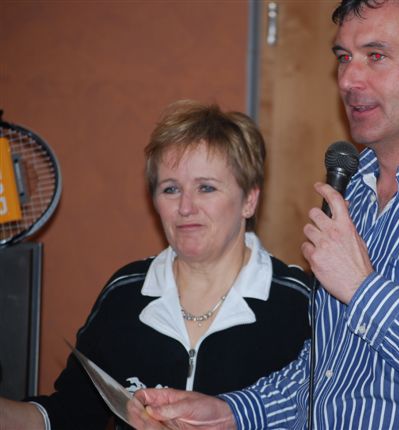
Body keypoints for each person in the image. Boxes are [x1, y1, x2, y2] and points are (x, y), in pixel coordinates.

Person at [128, 1, 399, 429]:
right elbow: (330, 370)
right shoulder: (353, 187)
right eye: (344, 57)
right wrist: (233, 412)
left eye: (376, 56)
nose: (349, 79)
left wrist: (363, 290)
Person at [0, 100, 311, 429]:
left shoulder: (298, 303)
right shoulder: (126, 292)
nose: (185, 207)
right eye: (171, 189)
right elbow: (69, 415)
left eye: (206, 187)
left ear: (249, 199)